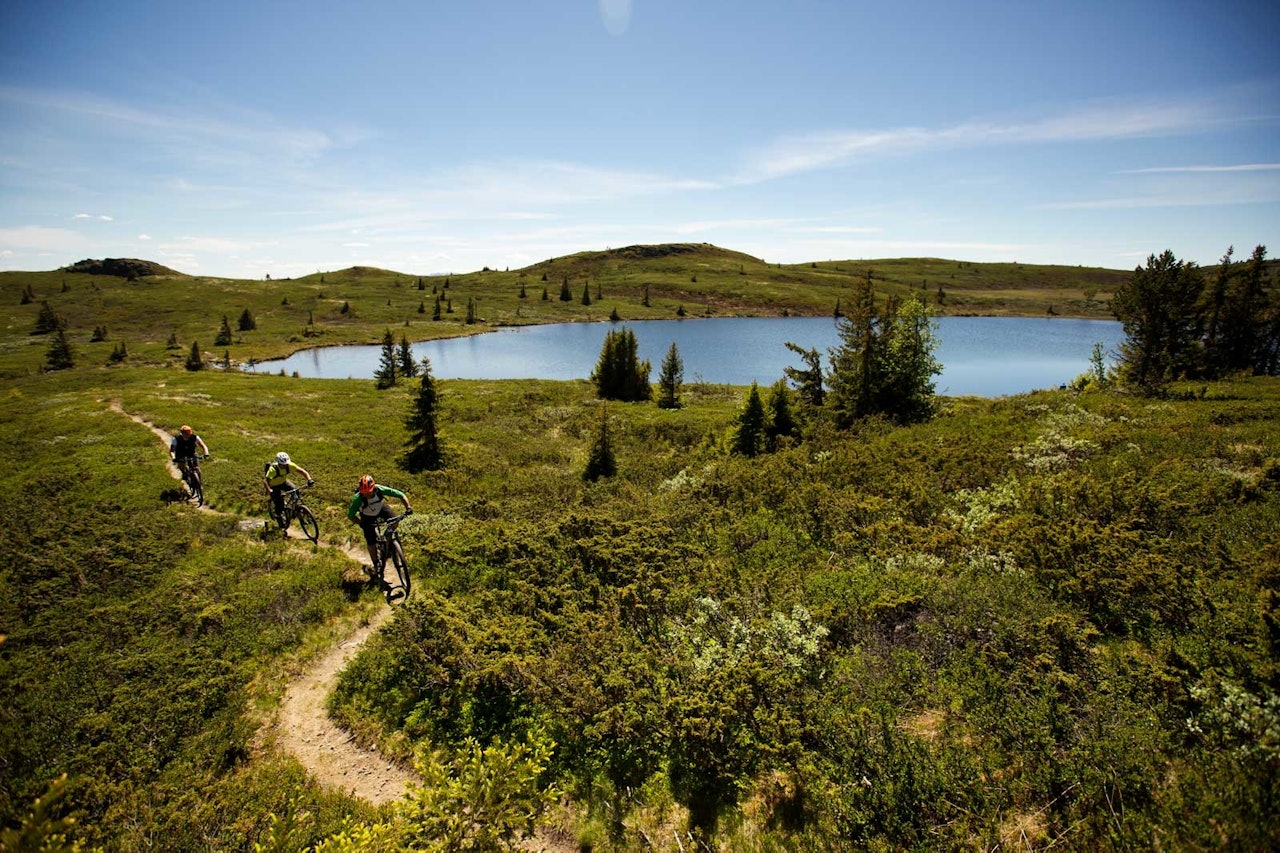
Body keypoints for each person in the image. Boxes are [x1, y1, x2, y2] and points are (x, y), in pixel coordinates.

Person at [347, 474, 412, 573]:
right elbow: (351, 515)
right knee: (371, 540)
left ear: (373, 488)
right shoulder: (358, 498)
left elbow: (400, 494)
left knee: (395, 521)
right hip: (367, 515)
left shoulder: (379, 489)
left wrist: (408, 507)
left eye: (368, 492)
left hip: (381, 508)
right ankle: (376, 563)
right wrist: (360, 523)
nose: (366, 495)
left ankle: (388, 538)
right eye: (364, 493)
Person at [264, 451, 313, 526]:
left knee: (295, 491)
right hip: (274, 486)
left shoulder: (290, 465)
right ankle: (279, 516)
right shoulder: (272, 470)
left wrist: (309, 479)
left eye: (286, 464)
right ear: (278, 463)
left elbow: (302, 471)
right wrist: (269, 490)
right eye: (283, 465)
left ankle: (296, 509)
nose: (285, 466)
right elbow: (266, 482)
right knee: (279, 503)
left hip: (283, 482)